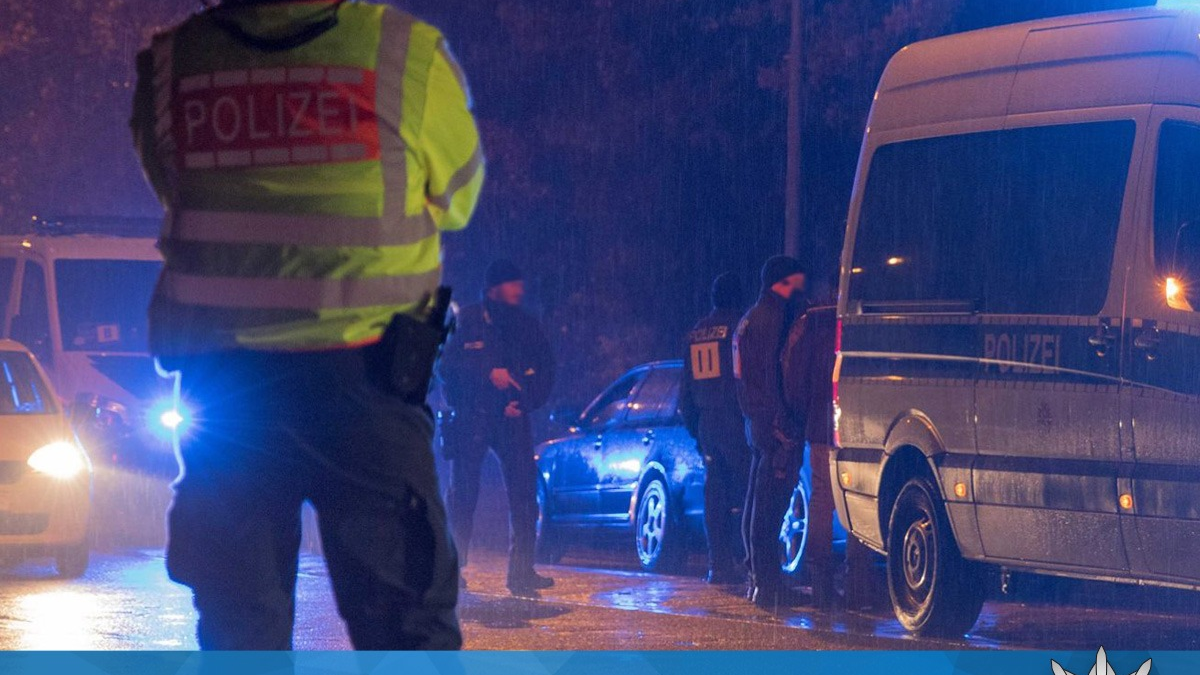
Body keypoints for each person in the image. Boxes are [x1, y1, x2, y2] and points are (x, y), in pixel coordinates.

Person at [130, 0, 483, 650]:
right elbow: (459, 194)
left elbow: (172, 186)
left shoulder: (176, 61)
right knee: (406, 629)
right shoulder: (402, 54)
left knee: (240, 628)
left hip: (228, 388)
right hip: (369, 382)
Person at [440, 260, 557, 597]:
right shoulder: (468, 321)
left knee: (524, 493)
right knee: (463, 495)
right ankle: (452, 569)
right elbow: (448, 367)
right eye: (512, 283)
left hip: (511, 417)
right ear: (494, 288)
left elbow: (546, 369)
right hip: (474, 417)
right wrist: (487, 375)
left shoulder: (525, 325)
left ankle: (522, 571)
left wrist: (525, 402)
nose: (519, 289)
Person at [783, 274, 883, 611]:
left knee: (822, 499)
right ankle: (859, 584)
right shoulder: (866, 315)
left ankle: (822, 585)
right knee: (860, 497)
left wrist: (805, 412)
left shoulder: (812, 321)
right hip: (859, 426)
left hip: (820, 426)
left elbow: (792, 375)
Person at [735, 255, 808, 610]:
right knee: (769, 504)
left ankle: (759, 578)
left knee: (758, 498)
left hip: (756, 421)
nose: (800, 288)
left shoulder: (750, 318)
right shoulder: (773, 319)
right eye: (795, 281)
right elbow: (771, 375)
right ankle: (767, 584)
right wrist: (782, 422)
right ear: (781, 283)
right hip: (773, 423)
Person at [680, 272, 752, 585]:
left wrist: (694, 428)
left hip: (707, 420)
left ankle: (718, 563)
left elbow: (686, 387)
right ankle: (749, 561)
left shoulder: (697, 332)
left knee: (715, 493)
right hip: (734, 418)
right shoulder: (740, 326)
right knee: (747, 491)